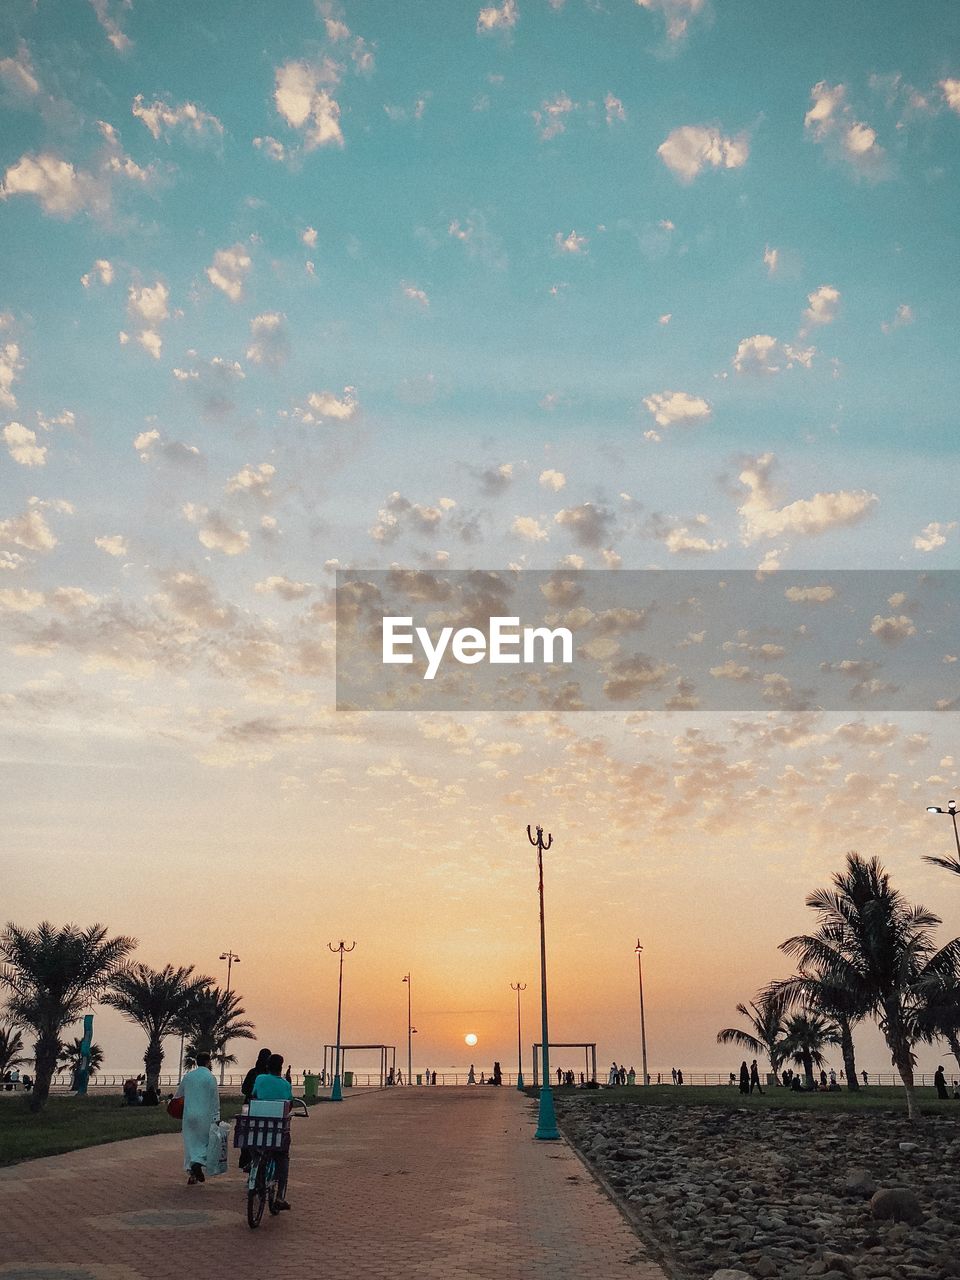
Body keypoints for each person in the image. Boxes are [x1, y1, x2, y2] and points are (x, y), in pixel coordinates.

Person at [173, 1051, 219, 1186]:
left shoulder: (188, 1076)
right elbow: (215, 1100)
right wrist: (217, 1117)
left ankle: (192, 1173)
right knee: (205, 1142)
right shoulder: (210, 1078)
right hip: (205, 1115)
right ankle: (198, 1163)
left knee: (190, 1143)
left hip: (189, 1115)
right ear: (208, 1062)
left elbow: (178, 1095)